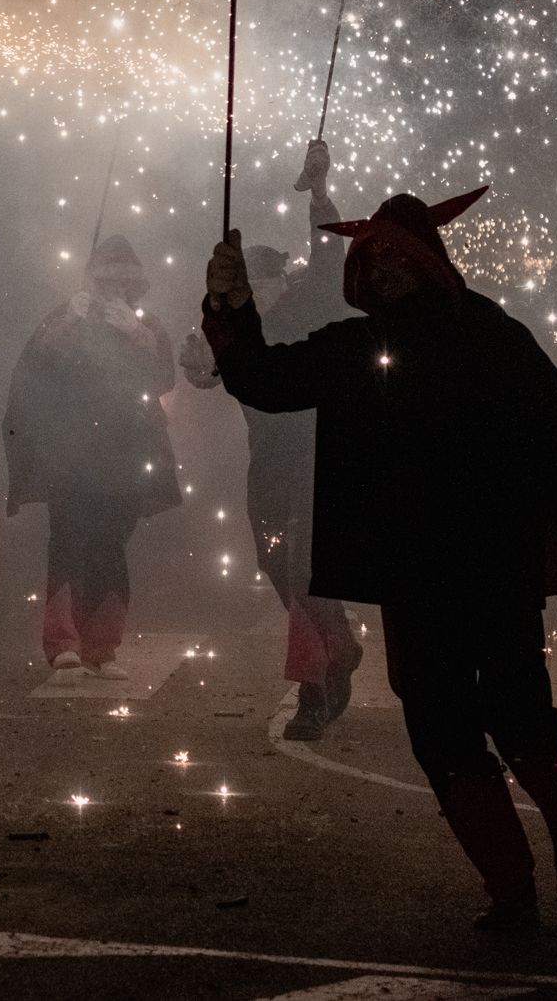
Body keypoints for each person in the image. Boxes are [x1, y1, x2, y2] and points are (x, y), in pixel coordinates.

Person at [201, 186, 557, 930]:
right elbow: (264, 380)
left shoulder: (493, 334)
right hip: (410, 574)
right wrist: (230, 310)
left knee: (519, 711)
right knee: (439, 731)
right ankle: (510, 888)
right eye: (374, 258)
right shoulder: (355, 347)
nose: (386, 269)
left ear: (431, 263)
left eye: (399, 256)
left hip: (494, 563)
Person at [183, 140, 363, 741]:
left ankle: (314, 687)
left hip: (324, 455)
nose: (254, 294)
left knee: (304, 565)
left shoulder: (312, 303)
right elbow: (210, 372)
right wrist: (195, 364)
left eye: (261, 283)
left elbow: (329, 250)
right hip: (270, 463)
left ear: (280, 280)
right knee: (276, 563)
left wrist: (317, 192)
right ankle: (339, 645)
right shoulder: (237, 325)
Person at [4, 235, 180, 677]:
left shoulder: (147, 325)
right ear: (92, 281)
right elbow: (34, 375)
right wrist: (65, 327)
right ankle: (63, 642)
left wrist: (137, 335)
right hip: (70, 452)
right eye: (105, 282)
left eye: (123, 285)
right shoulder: (66, 317)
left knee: (109, 546)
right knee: (67, 542)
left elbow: (162, 380)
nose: (114, 291)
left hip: (125, 456)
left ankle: (102, 647)